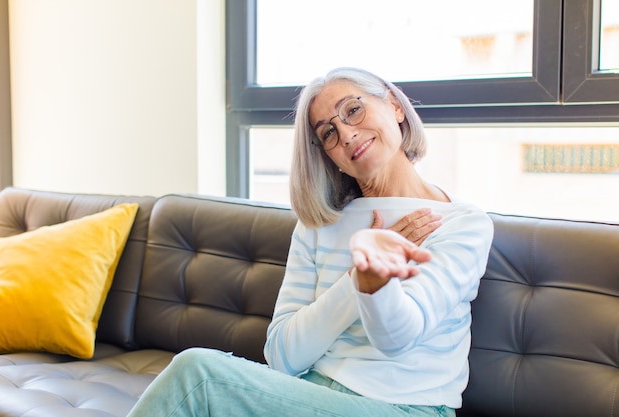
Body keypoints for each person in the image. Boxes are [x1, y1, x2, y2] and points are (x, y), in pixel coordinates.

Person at [127, 67, 494, 417]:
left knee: (199, 376)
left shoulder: (461, 224)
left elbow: (398, 339)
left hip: (403, 407)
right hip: (309, 396)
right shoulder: (320, 225)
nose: (347, 134)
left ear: (395, 106)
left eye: (353, 109)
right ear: (328, 156)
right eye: (328, 133)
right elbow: (283, 356)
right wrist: (353, 282)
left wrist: (375, 283)